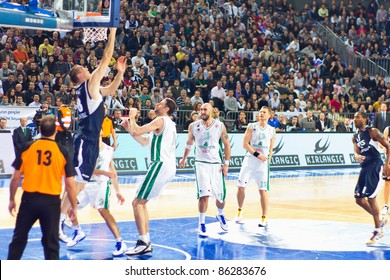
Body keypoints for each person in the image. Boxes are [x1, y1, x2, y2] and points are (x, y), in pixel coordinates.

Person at [60, 27, 126, 240]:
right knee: (76, 184)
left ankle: (64, 221)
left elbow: (110, 91)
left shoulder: (90, 89)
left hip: (87, 140)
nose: (88, 69)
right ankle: (59, 222)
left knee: (78, 183)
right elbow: (106, 57)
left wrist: (121, 73)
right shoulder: (89, 83)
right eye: (83, 68)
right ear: (80, 75)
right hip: (86, 139)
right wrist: (113, 32)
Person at [7, 116, 78, 260]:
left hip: (29, 200)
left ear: (39, 130)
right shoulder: (63, 151)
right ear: (56, 131)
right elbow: (70, 184)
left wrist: (11, 199)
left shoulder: (27, 147)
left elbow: (15, 178)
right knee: (51, 244)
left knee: (19, 239)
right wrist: (74, 207)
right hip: (51, 202)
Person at [122, 98, 177, 255]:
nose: (157, 104)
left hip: (160, 164)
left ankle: (143, 242)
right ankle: (145, 241)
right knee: (142, 202)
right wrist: (129, 129)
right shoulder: (167, 125)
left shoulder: (160, 120)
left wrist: (132, 116)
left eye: (160, 103)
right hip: (166, 166)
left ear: (166, 109)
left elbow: (138, 130)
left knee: (136, 202)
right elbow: (144, 141)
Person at [66, 134, 127, 256]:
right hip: (85, 185)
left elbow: (112, 171)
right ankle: (78, 232)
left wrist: (118, 191)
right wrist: (105, 172)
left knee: (103, 210)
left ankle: (120, 242)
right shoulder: (85, 149)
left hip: (100, 185)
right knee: (69, 209)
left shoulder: (109, 150)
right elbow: (86, 171)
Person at [179, 103, 231, 237]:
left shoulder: (220, 126)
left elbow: (226, 144)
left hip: (216, 164)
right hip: (201, 163)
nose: (202, 111)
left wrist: (226, 163)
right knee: (204, 194)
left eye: (205, 109)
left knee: (221, 196)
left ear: (212, 111)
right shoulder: (193, 126)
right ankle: (201, 223)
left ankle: (220, 215)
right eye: (201, 109)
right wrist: (184, 158)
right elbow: (189, 143)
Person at [352, 111, 390, 245]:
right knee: (358, 199)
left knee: (371, 197)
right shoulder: (355, 136)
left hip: (375, 165)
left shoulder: (372, 132)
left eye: (358, 117)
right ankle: (379, 219)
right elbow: (356, 150)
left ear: (365, 119)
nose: (355, 119)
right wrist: (356, 156)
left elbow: (387, 146)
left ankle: (377, 230)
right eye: (354, 117)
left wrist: (387, 164)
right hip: (365, 167)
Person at [235, 106, 276, 227]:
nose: (261, 114)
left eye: (264, 112)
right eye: (260, 112)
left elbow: (271, 148)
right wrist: (257, 154)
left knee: (263, 190)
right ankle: (239, 211)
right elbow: (245, 144)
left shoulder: (272, 130)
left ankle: (264, 218)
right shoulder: (251, 126)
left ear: (269, 115)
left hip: (262, 164)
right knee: (241, 186)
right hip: (250, 160)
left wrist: (269, 158)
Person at [379, 125, 390, 225]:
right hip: (389, 161)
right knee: (387, 183)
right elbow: (380, 145)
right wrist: (386, 148)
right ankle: (386, 205)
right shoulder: (387, 129)